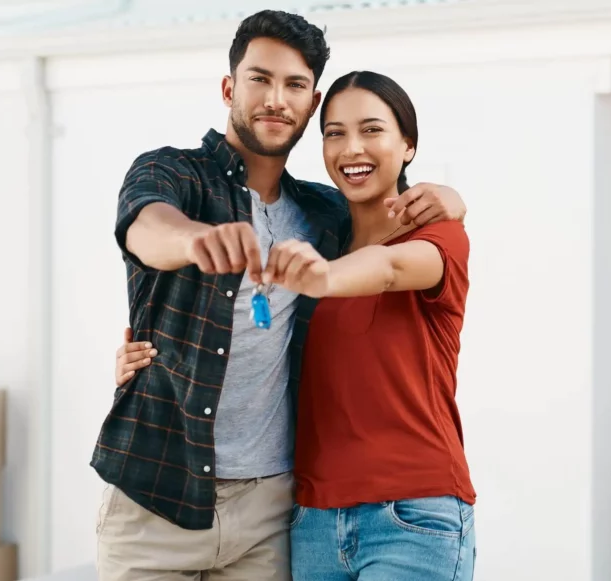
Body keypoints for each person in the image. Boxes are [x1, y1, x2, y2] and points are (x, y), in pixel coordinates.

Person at [93, 9, 468, 581]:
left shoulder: (325, 213)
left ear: (310, 102)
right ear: (229, 88)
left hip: (272, 510)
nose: (275, 99)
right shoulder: (172, 174)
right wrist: (199, 241)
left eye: (294, 85)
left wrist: (452, 197)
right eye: (259, 79)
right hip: (157, 494)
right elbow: (147, 229)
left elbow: (391, 248)